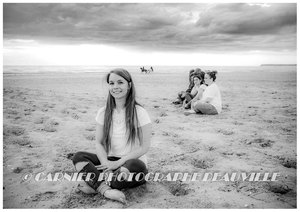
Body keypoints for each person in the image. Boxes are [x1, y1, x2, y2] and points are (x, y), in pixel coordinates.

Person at [72, 68, 152, 204]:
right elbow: (99, 143)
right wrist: (107, 165)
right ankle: (106, 190)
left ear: (129, 85)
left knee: (133, 166)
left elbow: (144, 147)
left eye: (120, 82)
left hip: (131, 163)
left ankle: (96, 183)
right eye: (111, 83)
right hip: (110, 161)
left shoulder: (140, 112)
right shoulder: (103, 112)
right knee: (78, 157)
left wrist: (118, 163)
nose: (115, 87)